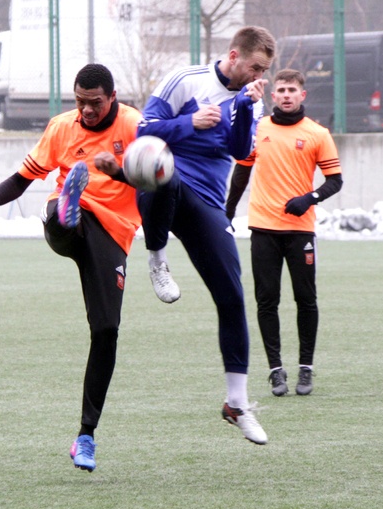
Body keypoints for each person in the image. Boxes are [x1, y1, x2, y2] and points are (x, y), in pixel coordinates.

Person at [0, 64, 142, 472]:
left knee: (106, 330)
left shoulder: (135, 127)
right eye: (80, 102)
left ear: (112, 97)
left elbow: (154, 181)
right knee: (62, 217)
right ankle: (64, 209)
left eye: (94, 103)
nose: (87, 111)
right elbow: (22, 178)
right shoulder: (62, 127)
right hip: (73, 221)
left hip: (113, 236)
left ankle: (85, 437)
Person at [109, 26, 276, 444]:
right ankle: (156, 257)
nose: (260, 75)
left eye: (265, 70)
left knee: (233, 295)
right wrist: (189, 122)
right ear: (234, 55)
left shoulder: (248, 99)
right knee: (162, 170)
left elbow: (239, 151)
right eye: (256, 67)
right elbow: (142, 130)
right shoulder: (186, 79)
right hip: (163, 185)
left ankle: (236, 403)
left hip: (206, 202)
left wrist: (243, 106)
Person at [225, 68, 343, 397]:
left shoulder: (318, 134)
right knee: (267, 301)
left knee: (306, 300)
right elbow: (242, 172)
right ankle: (276, 370)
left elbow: (335, 180)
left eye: (293, 89)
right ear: (273, 96)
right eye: (282, 90)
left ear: (302, 95)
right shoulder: (257, 129)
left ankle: (306, 368)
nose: (287, 94)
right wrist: (229, 210)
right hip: (263, 228)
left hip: (301, 231)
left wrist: (310, 198)